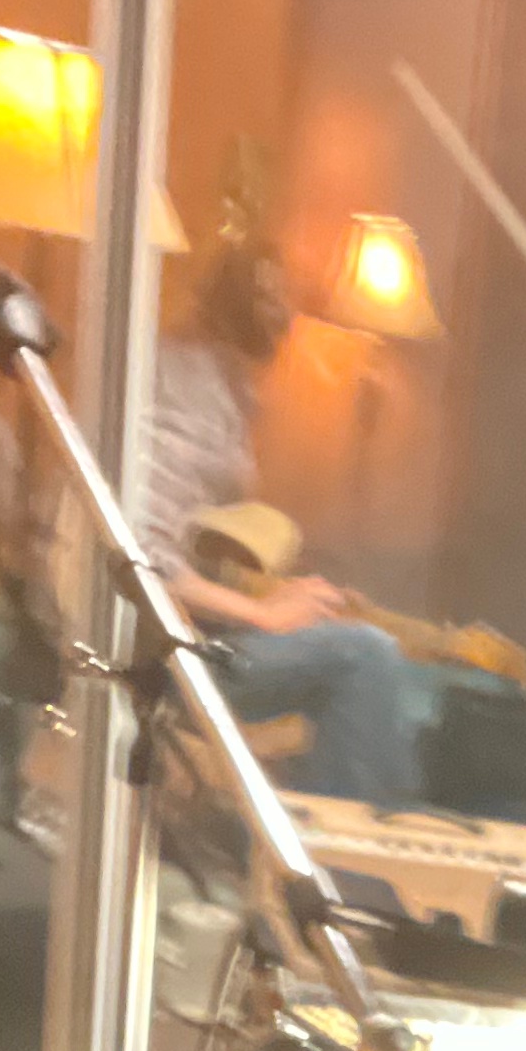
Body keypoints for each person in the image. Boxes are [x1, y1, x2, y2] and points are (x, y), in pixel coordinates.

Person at [144, 246, 417, 810]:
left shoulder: (213, 381)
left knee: (351, 641)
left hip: (178, 631)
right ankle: (342, 845)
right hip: (159, 651)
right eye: (268, 297)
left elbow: (184, 537)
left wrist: (282, 596)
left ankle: (350, 820)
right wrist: (261, 614)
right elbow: (143, 557)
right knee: (365, 657)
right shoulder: (188, 392)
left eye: (285, 297)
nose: (284, 314)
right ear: (228, 302)